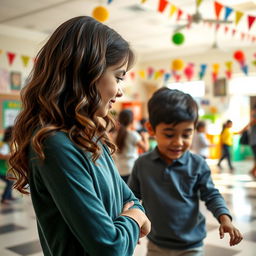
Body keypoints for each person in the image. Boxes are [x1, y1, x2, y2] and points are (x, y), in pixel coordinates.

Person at [8, 16, 150, 256]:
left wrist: (132, 213)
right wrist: (135, 218)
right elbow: (110, 248)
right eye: (118, 76)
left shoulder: (90, 137)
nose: (120, 90)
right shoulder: (54, 144)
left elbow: (130, 198)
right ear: (86, 73)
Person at [128, 88, 243, 256]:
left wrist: (224, 218)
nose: (178, 142)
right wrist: (133, 223)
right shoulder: (142, 164)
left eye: (187, 134)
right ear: (151, 129)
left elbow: (211, 195)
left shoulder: (198, 164)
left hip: (191, 246)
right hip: (155, 244)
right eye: (169, 134)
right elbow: (132, 197)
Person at [115, 109, 149, 182]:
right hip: (131, 169)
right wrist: (145, 138)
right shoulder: (133, 134)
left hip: (118, 169)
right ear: (131, 120)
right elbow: (145, 148)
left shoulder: (115, 134)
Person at [0, 126, 14, 204]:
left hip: (4, 168)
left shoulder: (8, 144)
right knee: (10, 181)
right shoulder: (3, 144)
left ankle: (9, 196)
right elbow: (1, 155)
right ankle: (4, 198)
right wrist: (11, 155)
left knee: (11, 180)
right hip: (1, 169)